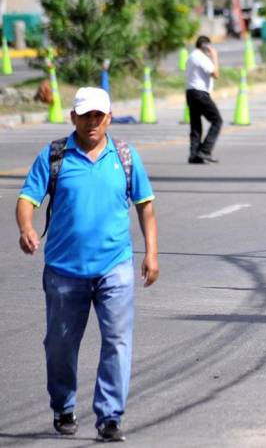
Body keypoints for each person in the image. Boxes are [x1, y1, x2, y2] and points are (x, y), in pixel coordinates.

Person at [15, 87, 158, 442]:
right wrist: (26, 227)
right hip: (64, 271)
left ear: (109, 118)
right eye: (85, 116)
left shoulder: (124, 156)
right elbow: (27, 198)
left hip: (115, 268)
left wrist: (151, 253)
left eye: (99, 115)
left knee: (118, 342)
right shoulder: (54, 156)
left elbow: (145, 206)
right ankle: (63, 406)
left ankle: (110, 416)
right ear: (73, 118)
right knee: (60, 345)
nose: (92, 122)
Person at [186, 35, 222, 164]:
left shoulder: (191, 56)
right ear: (206, 46)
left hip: (190, 92)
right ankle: (205, 150)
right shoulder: (201, 57)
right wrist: (215, 57)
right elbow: (215, 74)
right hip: (200, 93)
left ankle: (194, 154)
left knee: (196, 125)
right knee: (217, 121)